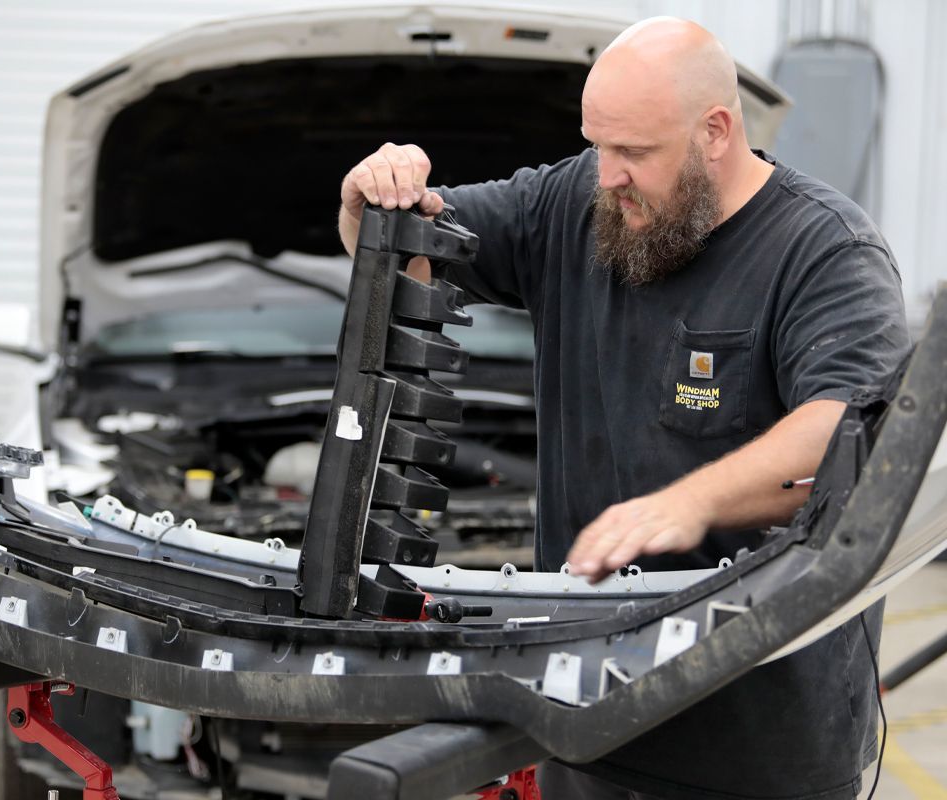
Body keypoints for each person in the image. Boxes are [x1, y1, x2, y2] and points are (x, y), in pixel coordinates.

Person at [336, 16, 909, 800]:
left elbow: (850, 430)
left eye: (634, 152)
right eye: (597, 144)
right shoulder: (575, 202)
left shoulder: (826, 253)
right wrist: (368, 199)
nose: (607, 174)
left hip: (757, 750)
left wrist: (689, 503)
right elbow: (404, 249)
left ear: (715, 131)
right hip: (584, 723)